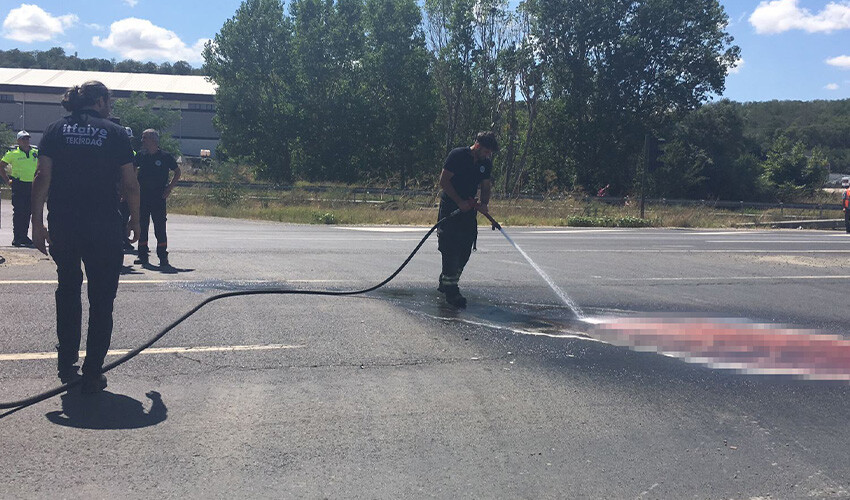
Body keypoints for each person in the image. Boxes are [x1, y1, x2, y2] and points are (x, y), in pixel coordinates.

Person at [31, 80, 140, 393]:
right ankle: (93, 370)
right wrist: (135, 219)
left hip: (64, 224)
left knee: (68, 288)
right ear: (101, 101)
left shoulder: (55, 130)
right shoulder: (115, 133)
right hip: (103, 226)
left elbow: (42, 176)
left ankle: (66, 361)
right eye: (109, 101)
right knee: (102, 299)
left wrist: (36, 224)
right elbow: (130, 183)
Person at [436, 131, 498, 308]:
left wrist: (484, 204)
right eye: (486, 151)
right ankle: (452, 292)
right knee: (450, 248)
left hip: (469, 211)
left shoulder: (485, 164)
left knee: (465, 250)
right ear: (477, 146)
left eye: (490, 153)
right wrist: (459, 202)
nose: (488, 155)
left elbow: (485, 186)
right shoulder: (457, 156)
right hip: (451, 208)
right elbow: (444, 181)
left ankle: (447, 281)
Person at [134, 129, 180, 268]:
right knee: (142, 226)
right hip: (143, 196)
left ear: (153, 140)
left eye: (145, 138)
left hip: (159, 197)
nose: (142, 141)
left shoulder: (165, 156)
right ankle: (142, 255)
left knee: (160, 227)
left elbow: (177, 172)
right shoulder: (141, 155)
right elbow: (133, 169)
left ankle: (163, 256)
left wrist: (169, 188)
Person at [0, 131, 39, 247]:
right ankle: (16, 238)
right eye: (23, 139)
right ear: (18, 141)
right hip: (19, 185)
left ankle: (24, 236)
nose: (26, 141)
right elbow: (1, 166)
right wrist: (7, 180)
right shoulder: (13, 154)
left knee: (28, 212)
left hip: (31, 185)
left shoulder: (35, 153)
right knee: (18, 212)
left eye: (27, 139)